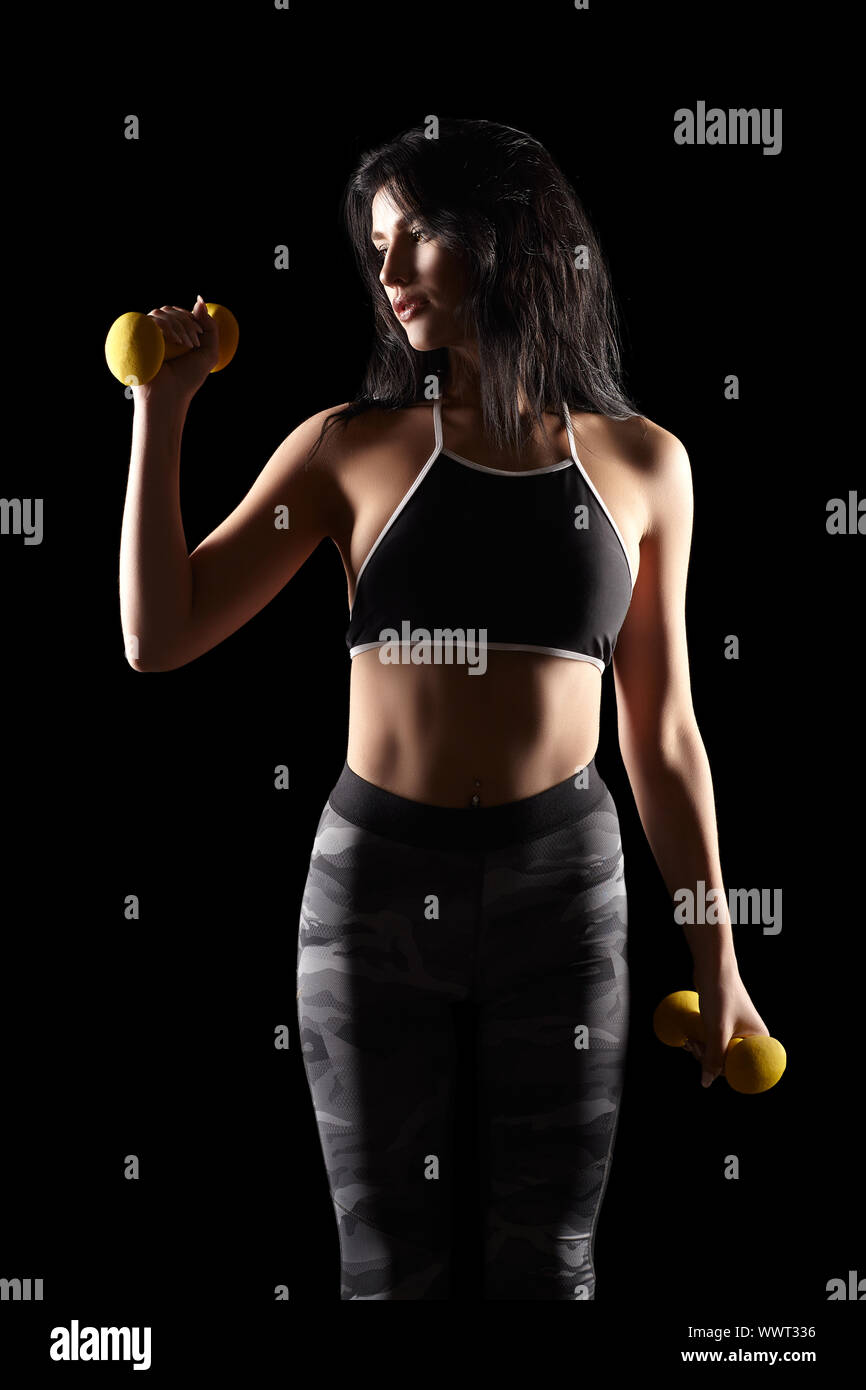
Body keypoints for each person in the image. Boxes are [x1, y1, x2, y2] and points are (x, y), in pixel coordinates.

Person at [120, 118, 769, 1301]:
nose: (386, 271)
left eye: (413, 235)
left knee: (552, 1274)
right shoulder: (343, 450)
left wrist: (717, 960)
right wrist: (162, 411)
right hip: (371, 882)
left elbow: (663, 733)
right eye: (374, 245)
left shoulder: (643, 464)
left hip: (562, 893)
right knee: (382, 1276)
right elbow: (156, 640)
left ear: (505, 233)